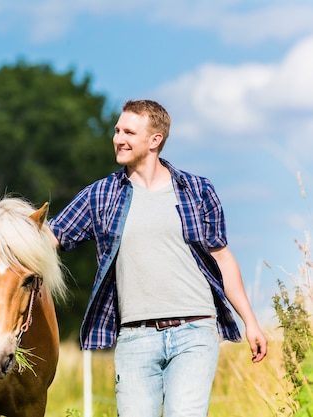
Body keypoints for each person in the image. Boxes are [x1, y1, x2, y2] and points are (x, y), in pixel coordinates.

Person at [48, 99, 267, 417]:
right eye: (117, 130)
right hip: (135, 337)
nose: (118, 138)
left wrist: (251, 321)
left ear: (155, 140)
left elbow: (221, 256)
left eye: (129, 132)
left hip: (195, 331)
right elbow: (50, 237)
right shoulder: (101, 195)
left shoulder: (198, 191)